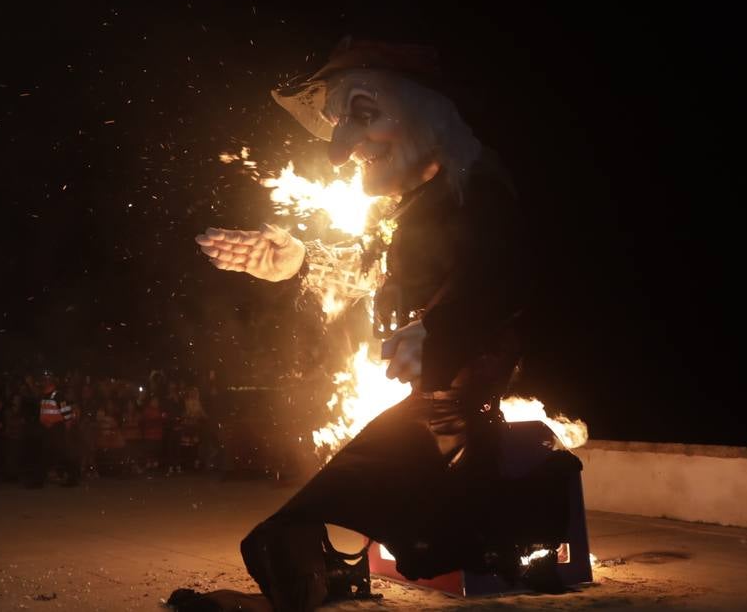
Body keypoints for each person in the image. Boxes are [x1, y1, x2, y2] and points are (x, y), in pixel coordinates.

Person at [175, 37, 580, 611]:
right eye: (341, 123)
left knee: (371, 471)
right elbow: (374, 269)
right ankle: (332, 567)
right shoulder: (412, 208)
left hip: (465, 376)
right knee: (391, 484)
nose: (342, 146)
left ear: (428, 109)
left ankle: (304, 571)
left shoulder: (479, 189)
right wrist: (300, 261)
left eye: (363, 114)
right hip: (433, 377)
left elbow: (500, 272)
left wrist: (441, 330)